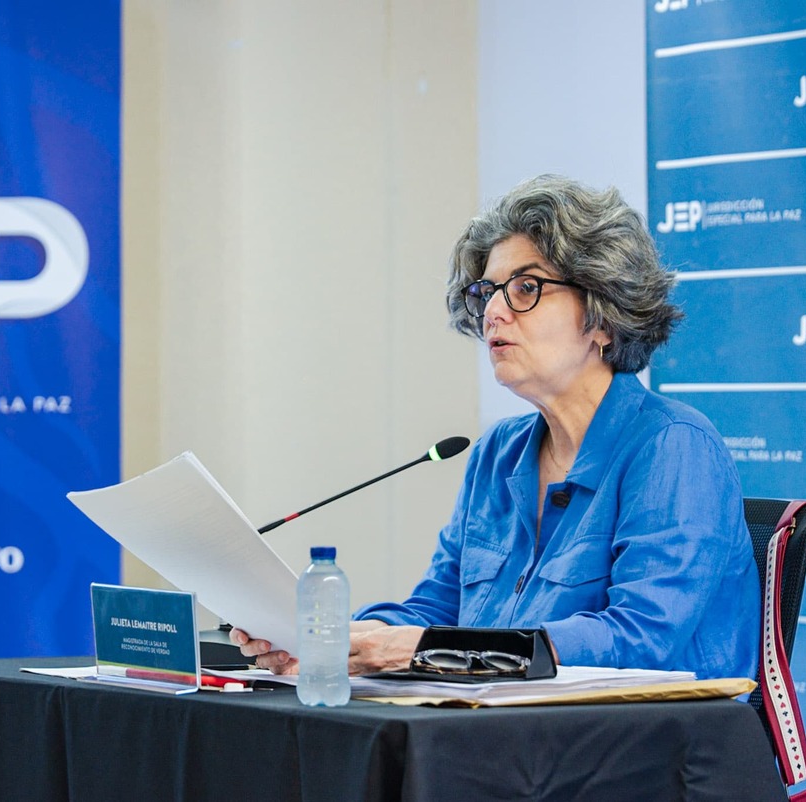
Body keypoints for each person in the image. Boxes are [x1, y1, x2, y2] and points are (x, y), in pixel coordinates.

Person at [232, 174, 760, 681]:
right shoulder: (499, 454)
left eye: (526, 288)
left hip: (642, 754)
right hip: (510, 737)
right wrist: (336, 641)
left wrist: (421, 649)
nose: (494, 314)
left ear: (603, 314)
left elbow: (640, 638)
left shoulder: (673, 447)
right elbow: (439, 605)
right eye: (488, 293)